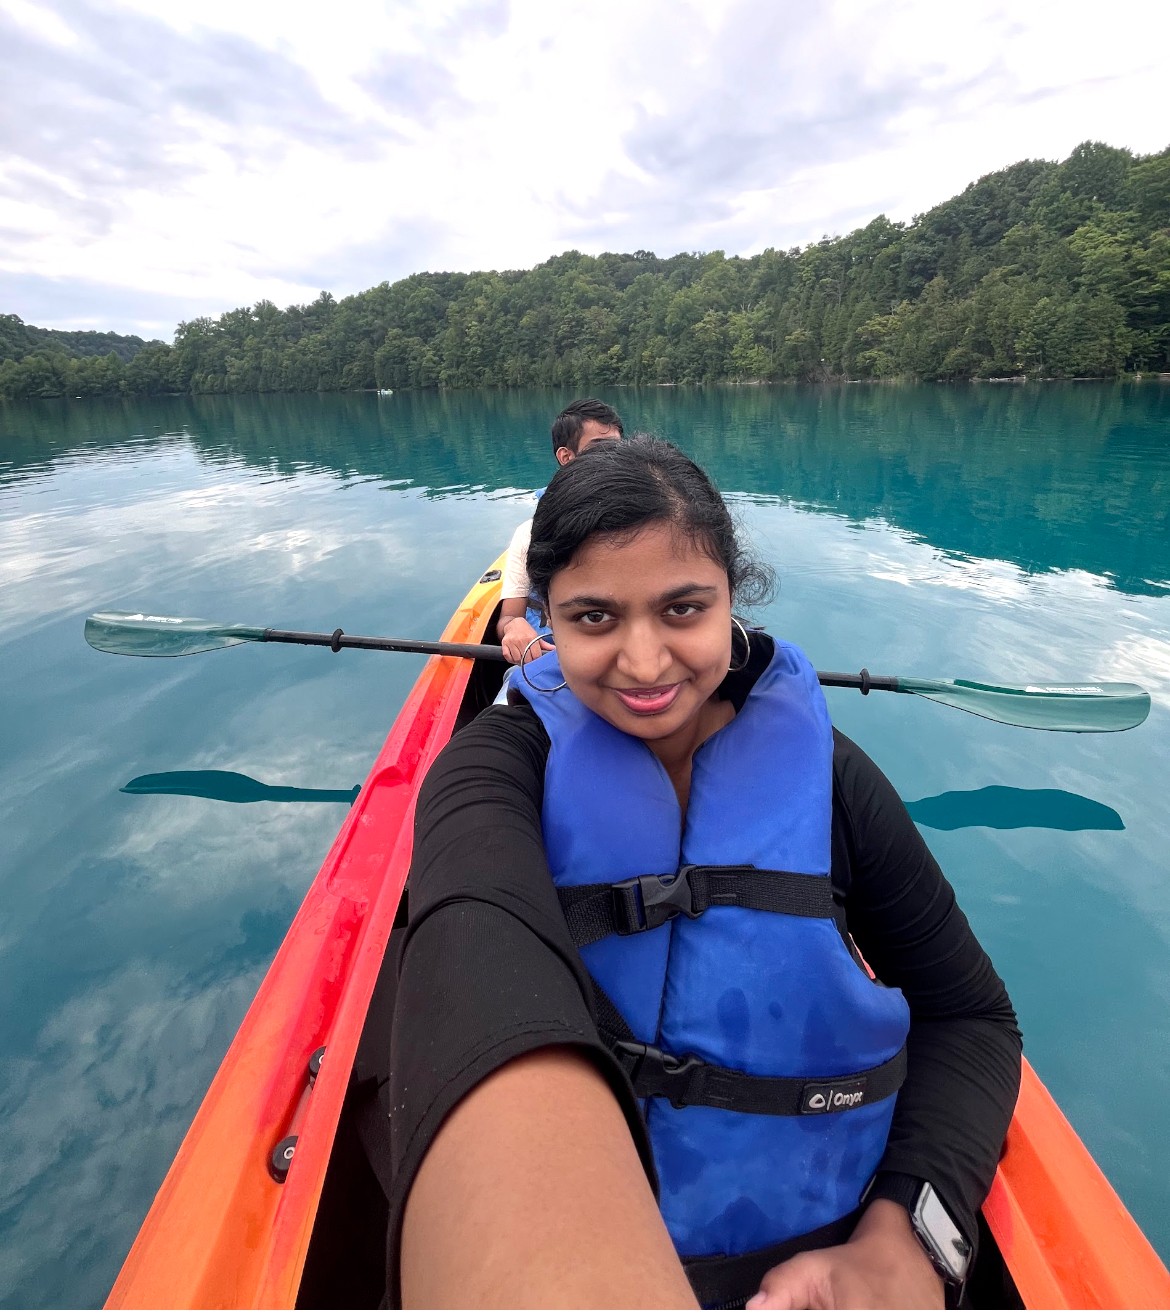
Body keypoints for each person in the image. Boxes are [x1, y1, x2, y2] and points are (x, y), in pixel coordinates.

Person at [387, 437, 1022, 1309]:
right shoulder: (494, 772)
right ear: (548, 621)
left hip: (831, 1257)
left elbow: (973, 1017)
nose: (645, 663)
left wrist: (905, 1243)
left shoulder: (833, 781)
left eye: (683, 609)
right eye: (595, 618)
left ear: (733, 599)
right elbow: (475, 984)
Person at [497, 397, 624, 667]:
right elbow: (509, 617)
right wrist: (514, 626)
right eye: (600, 448)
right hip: (551, 659)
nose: (613, 458)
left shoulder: (640, 524)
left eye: (618, 448)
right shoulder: (531, 535)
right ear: (566, 457)